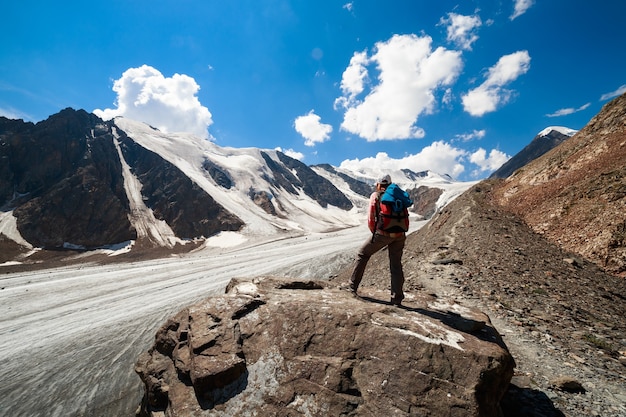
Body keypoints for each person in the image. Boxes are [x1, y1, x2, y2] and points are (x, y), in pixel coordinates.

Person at [344, 174, 407, 305]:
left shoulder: (376, 195)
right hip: (400, 235)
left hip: (383, 233)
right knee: (395, 264)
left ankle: (352, 286)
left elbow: (371, 218)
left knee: (363, 254)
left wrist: (376, 234)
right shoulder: (398, 195)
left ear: (378, 184)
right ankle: (397, 298)